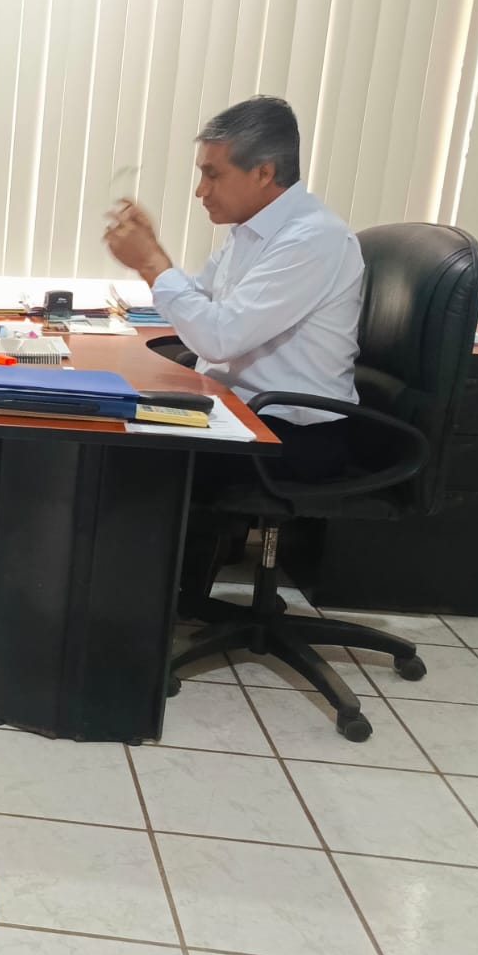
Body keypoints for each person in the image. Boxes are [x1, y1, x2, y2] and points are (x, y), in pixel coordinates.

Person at [102, 95, 364, 612]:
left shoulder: (313, 239)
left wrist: (153, 264)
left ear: (264, 172)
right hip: (247, 414)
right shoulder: (251, 233)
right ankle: (161, 603)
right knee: (119, 423)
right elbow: (201, 302)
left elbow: (219, 337)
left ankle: (146, 614)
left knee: (134, 457)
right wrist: (155, 261)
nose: (200, 190)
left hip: (293, 433)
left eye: (212, 174)